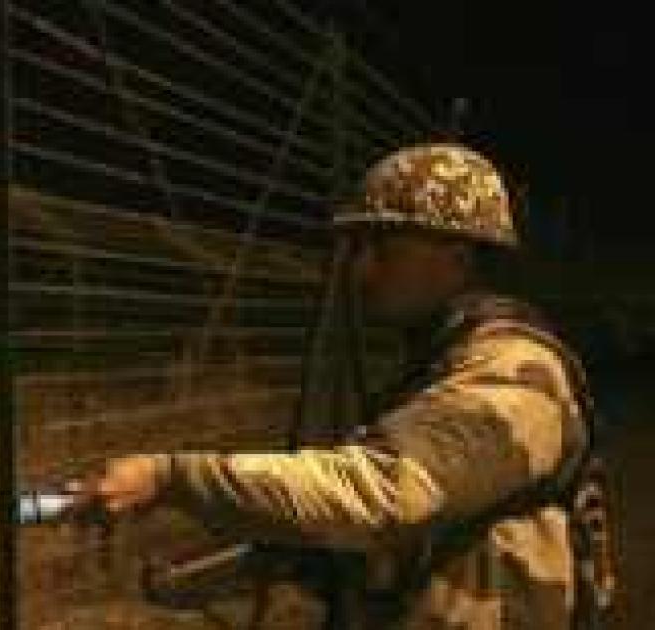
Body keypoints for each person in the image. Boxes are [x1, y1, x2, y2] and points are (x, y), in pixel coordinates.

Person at [83, 144, 603, 628]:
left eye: (382, 248)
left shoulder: (513, 374)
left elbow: (383, 493)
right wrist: (213, 577)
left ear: (458, 258)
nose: (359, 270)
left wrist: (170, 476)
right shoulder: (447, 363)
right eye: (357, 249)